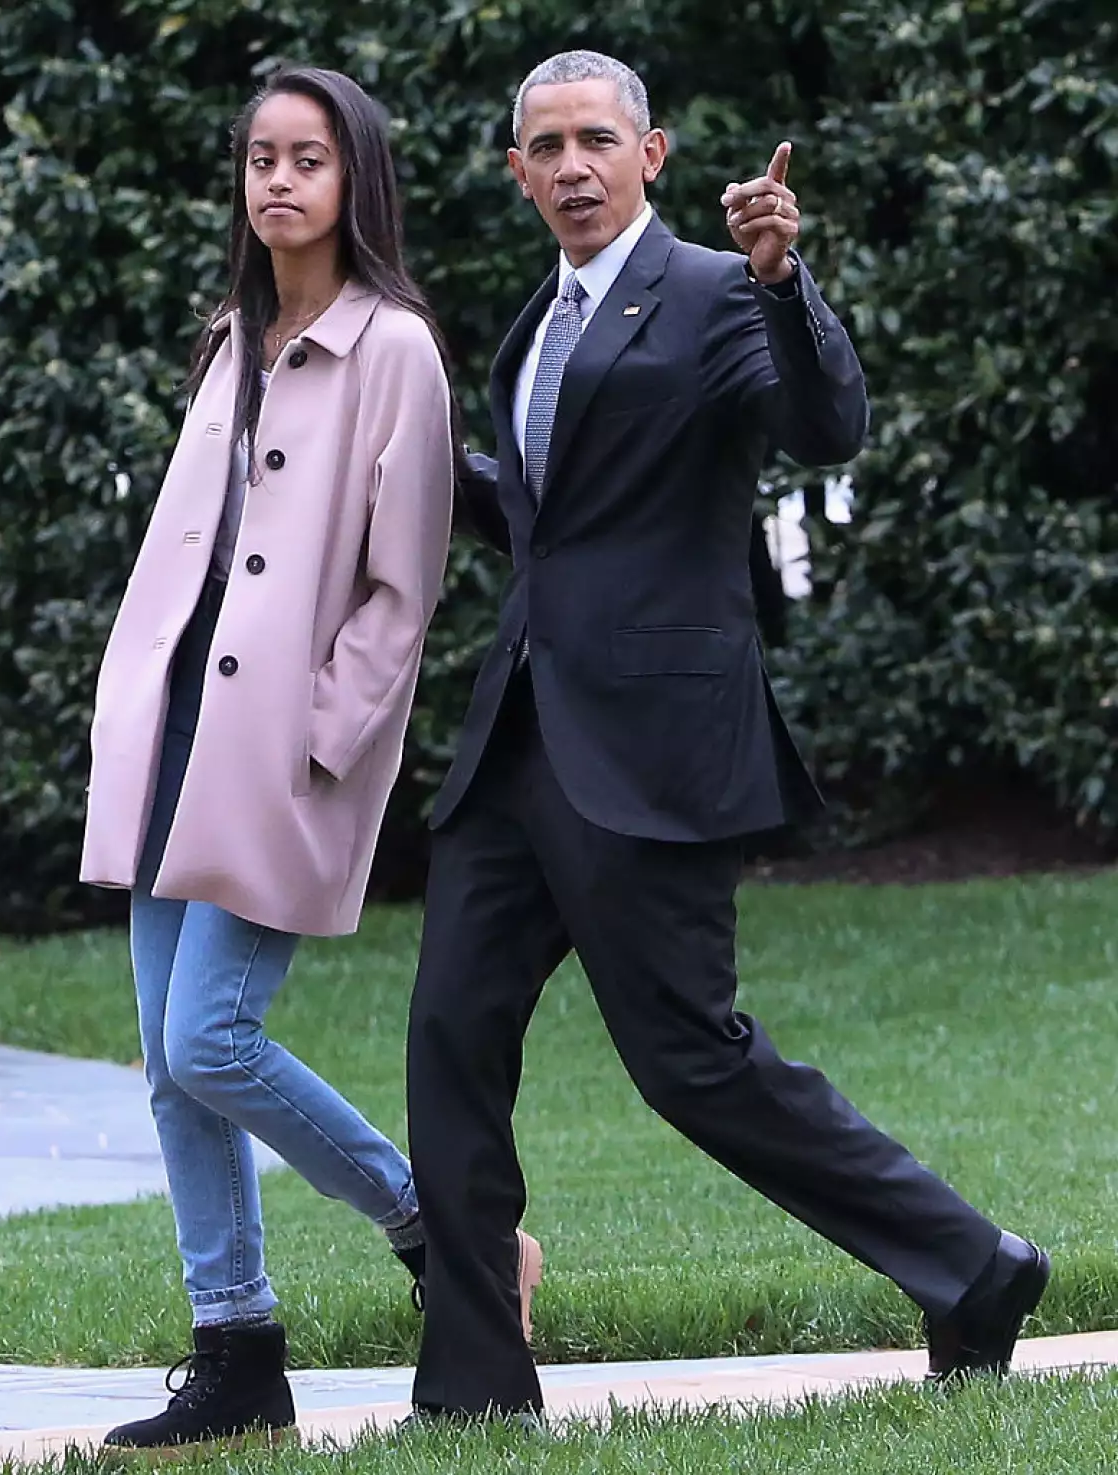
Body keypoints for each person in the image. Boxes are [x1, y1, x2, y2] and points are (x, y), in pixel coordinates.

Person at [404, 49, 1050, 1423]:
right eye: (547, 147)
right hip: (516, 747)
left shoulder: (706, 290)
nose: (572, 165)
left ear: (654, 153)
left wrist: (782, 280)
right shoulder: (539, 323)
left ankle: (970, 1264)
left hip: (649, 756)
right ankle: (472, 1387)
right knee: (450, 1042)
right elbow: (554, 519)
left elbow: (828, 426)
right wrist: (408, 469)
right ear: (516, 171)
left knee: (692, 1060)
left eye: (597, 139)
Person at [79, 65, 458, 1452]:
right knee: (170, 1063)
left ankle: (436, 1229)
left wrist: (322, 741)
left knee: (210, 1032)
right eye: (259, 158)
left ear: (355, 177)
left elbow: (400, 595)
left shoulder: (394, 351)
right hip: (173, 730)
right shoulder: (233, 340)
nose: (280, 180)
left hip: (275, 751)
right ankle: (236, 1349)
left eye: (308, 156)